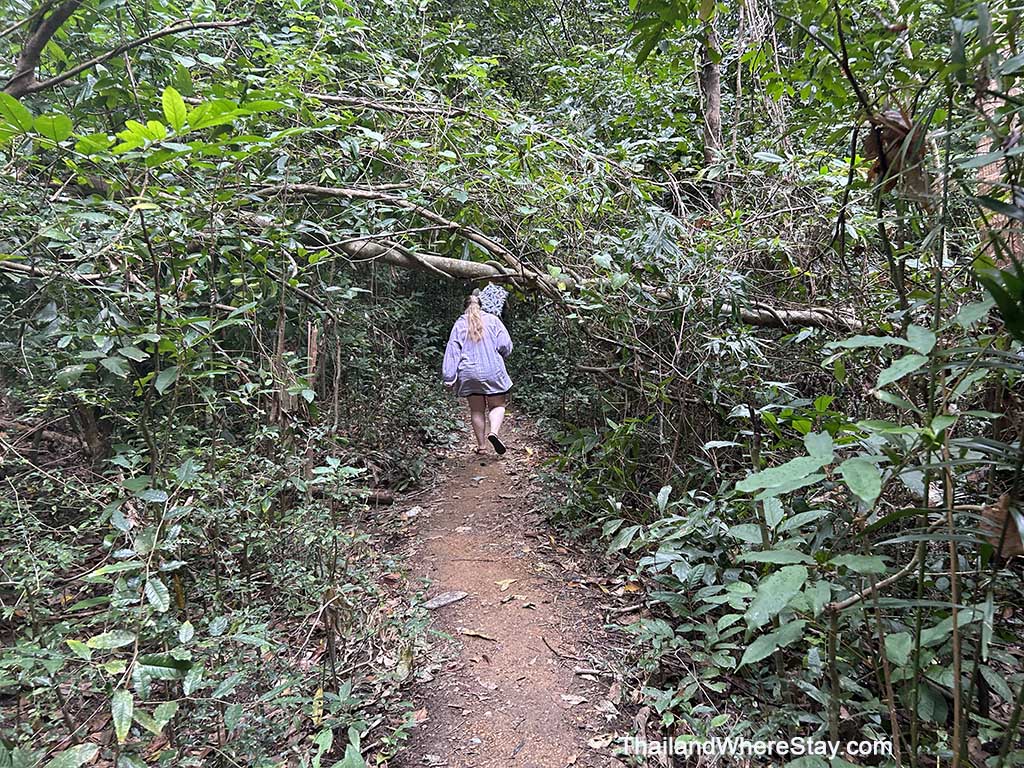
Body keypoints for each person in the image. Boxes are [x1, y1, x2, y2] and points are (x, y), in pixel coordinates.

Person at [442, 291, 513, 455]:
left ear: (464, 307)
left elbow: (453, 351)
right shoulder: (493, 320)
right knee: (498, 406)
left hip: (468, 373)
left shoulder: (459, 324)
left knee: (476, 410)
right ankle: (493, 433)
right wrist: (500, 353)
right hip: (492, 370)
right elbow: (505, 345)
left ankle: (481, 447)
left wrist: (449, 377)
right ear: (481, 306)